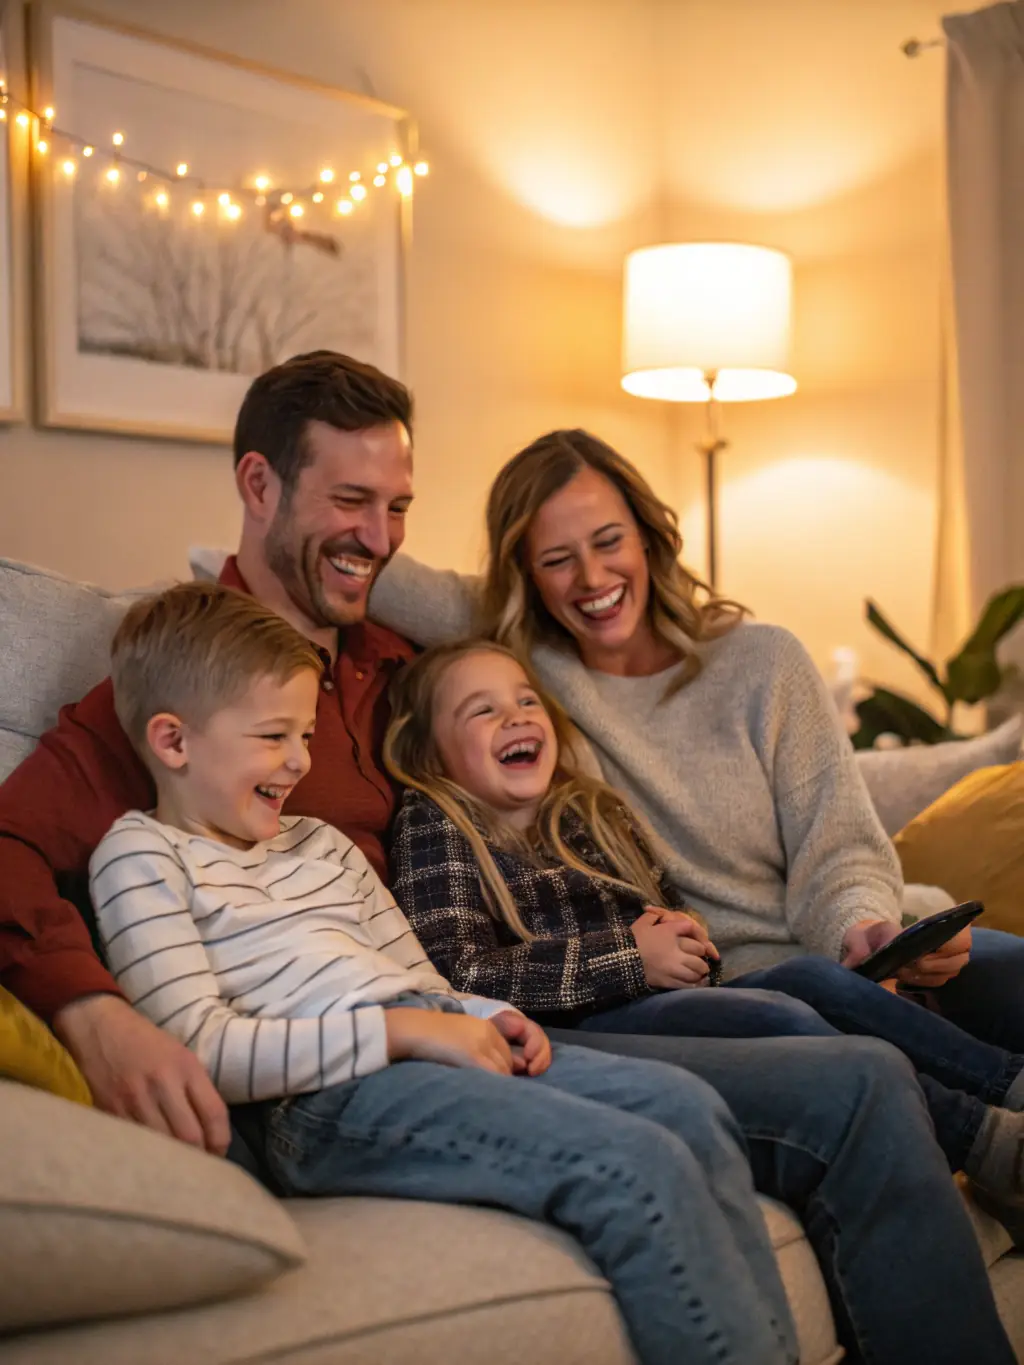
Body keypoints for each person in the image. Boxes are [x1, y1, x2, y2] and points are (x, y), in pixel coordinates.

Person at [89, 581, 1018, 1365]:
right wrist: (411, 1027)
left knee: (694, 1111)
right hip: (333, 1087)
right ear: (173, 743)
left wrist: (485, 1015)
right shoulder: (140, 856)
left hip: (440, 1033)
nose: (299, 762)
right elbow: (201, 1048)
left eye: (304, 736)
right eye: (273, 738)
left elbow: (422, 970)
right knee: (641, 1158)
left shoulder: (320, 844)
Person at [368, 428, 1024, 1054]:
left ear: (648, 538)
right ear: (527, 576)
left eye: (608, 541)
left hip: (844, 947)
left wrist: (865, 932)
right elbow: (375, 567)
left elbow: (840, 846)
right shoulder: (530, 670)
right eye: (557, 560)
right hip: (729, 987)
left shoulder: (765, 663)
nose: (592, 578)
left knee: (1007, 971)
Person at [384, 637, 1024, 1209]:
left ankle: (1009, 1084)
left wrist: (686, 943)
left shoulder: (593, 809)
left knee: (812, 979)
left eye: (525, 700)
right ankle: (985, 1138)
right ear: (428, 750)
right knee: (783, 1017)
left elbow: (669, 913)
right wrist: (629, 958)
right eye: (483, 710)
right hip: (585, 1026)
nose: (517, 716)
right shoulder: (436, 821)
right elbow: (456, 973)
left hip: (672, 999)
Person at [0, 351, 417, 1149]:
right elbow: (7, 843)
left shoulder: (403, 660)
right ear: (259, 486)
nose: (380, 536)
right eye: (352, 500)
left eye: (398, 506)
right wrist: (93, 1014)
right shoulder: (184, 689)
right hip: (314, 1066)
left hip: (468, 1002)